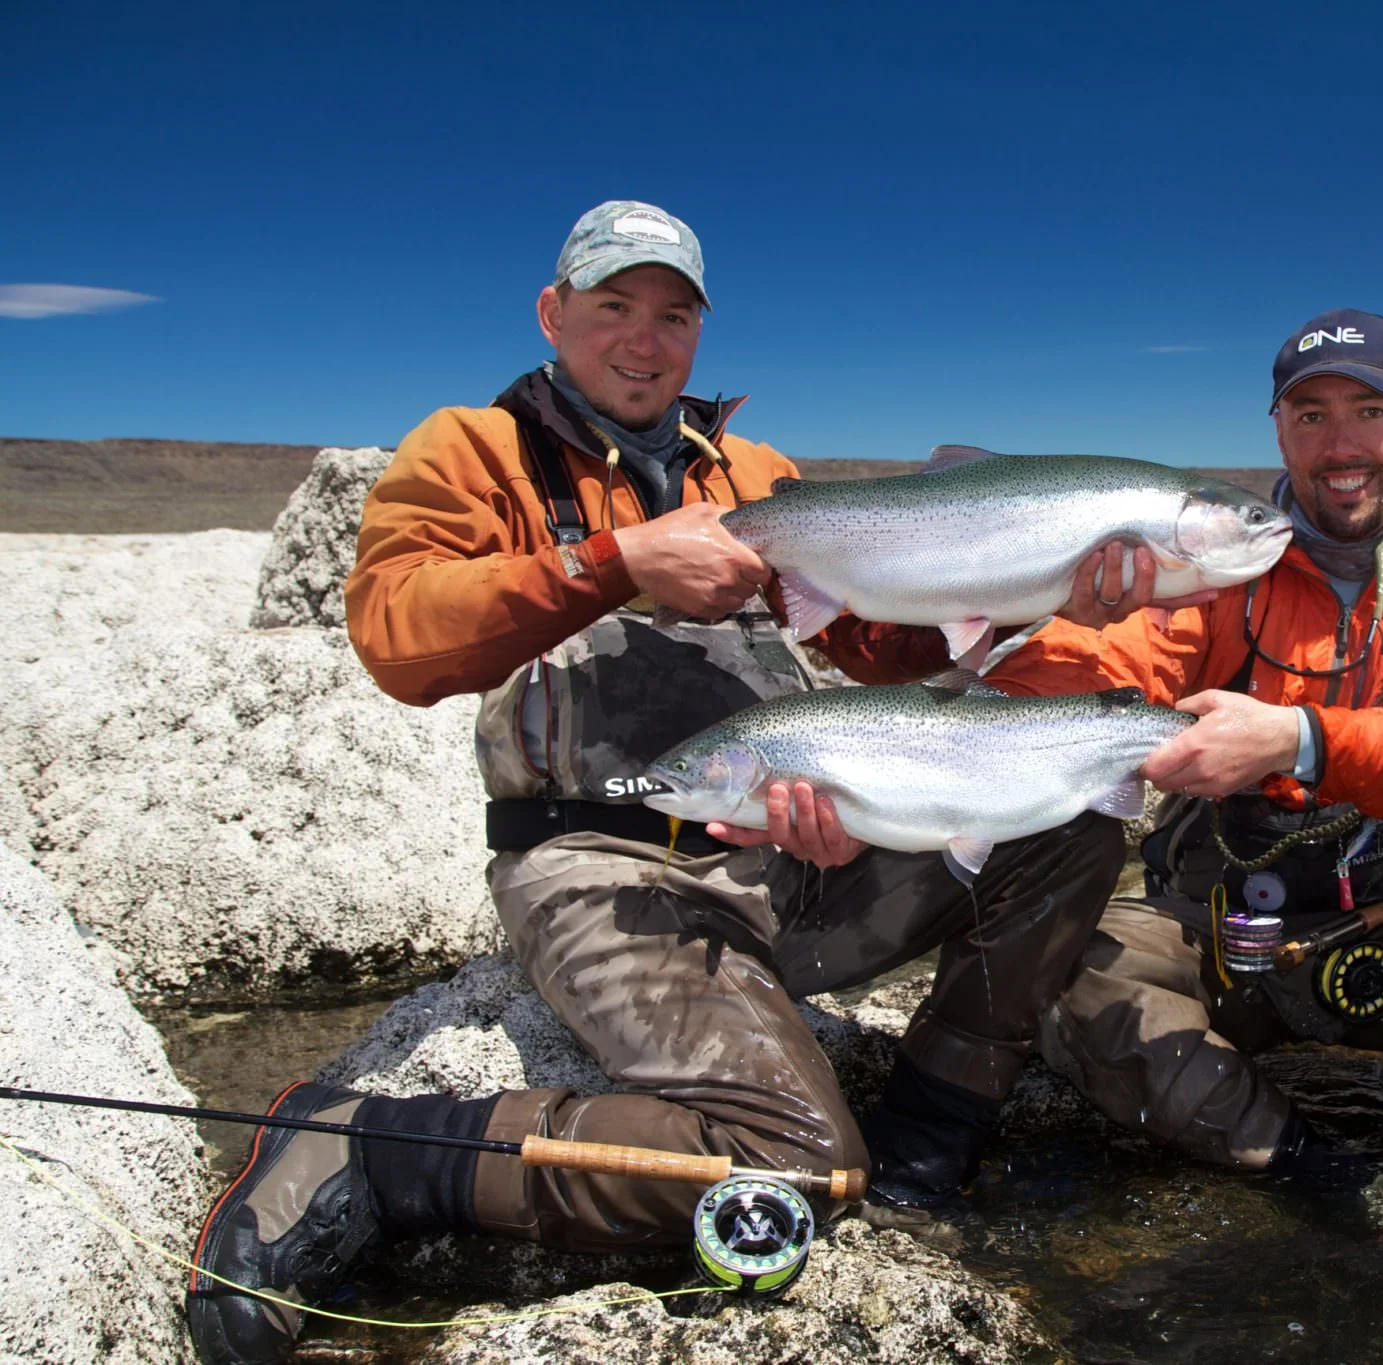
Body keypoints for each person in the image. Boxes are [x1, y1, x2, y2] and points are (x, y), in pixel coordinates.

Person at [184, 200, 1190, 1365]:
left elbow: (875, 652)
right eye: (612, 307)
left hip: (785, 851)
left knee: (1059, 836)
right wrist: (610, 562)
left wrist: (1036, 594)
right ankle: (374, 1146)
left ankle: (928, 1137)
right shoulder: (474, 450)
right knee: (795, 1165)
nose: (643, 339)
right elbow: (399, 638)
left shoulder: (756, 473)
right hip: (607, 871)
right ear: (554, 314)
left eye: (671, 315)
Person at [989, 308, 1383, 1170]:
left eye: (1370, 410)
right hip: (1208, 920)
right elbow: (1078, 677)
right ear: (1280, 432)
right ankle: (1302, 1161)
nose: (1341, 445)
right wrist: (1033, 611)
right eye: (1312, 415)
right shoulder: (1207, 568)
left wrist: (1298, 739)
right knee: (1062, 971)